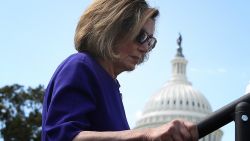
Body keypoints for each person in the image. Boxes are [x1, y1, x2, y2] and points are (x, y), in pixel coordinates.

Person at [42, 0, 199, 141]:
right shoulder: (80, 66)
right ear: (112, 28)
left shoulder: (111, 85)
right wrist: (145, 135)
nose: (145, 48)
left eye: (150, 41)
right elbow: (61, 136)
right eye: (141, 36)